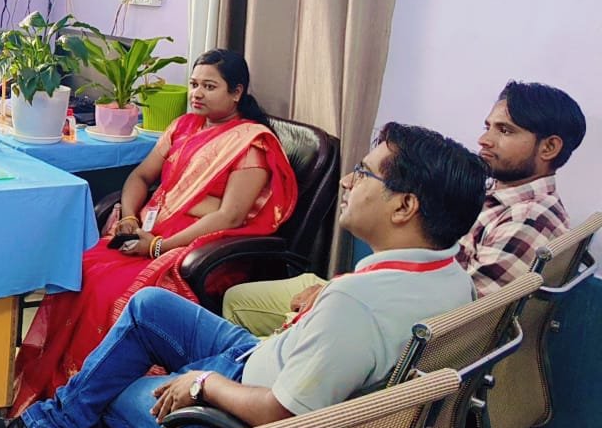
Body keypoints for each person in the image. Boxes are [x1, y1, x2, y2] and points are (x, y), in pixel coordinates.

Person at [0, 123, 487, 428]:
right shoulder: (451, 278)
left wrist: (203, 386)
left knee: (106, 390)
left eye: (364, 174)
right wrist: (330, 294)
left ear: (404, 206)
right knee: (148, 305)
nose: (349, 182)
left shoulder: (354, 307)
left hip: (233, 421)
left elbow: (283, 416)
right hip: (261, 358)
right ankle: (56, 427)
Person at [11, 49, 299, 413]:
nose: (197, 93)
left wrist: (159, 245)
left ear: (237, 92)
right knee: (80, 270)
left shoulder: (251, 143)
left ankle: (109, 400)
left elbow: (229, 216)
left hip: (199, 247)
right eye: (194, 84)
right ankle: (62, 388)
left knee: (112, 289)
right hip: (150, 233)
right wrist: (130, 217)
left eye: (210, 87)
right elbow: (141, 176)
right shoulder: (183, 127)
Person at [222, 80, 585, 336]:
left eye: (505, 131)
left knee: (236, 316)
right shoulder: (501, 193)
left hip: (398, 313)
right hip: (387, 290)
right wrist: (346, 285)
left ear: (549, 148)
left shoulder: (527, 218)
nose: (484, 139)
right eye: (488, 126)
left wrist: (342, 295)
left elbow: (463, 321)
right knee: (240, 298)